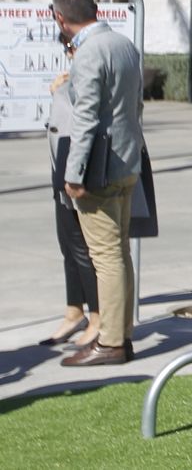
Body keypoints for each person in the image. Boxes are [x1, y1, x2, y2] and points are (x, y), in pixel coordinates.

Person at [56, 0, 143, 366]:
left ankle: (110, 342)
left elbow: (86, 118)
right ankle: (119, 335)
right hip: (126, 162)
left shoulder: (89, 52)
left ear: (60, 18)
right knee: (119, 254)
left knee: (106, 257)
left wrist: (73, 174)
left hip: (99, 169)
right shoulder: (123, 44)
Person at [41, 34, 98, 350]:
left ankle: (98, 316)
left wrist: (60, 91)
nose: (69, 53)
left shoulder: (89, 72)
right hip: (61, 161)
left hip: (81, 166)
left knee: (82, 246)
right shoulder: (73, 76)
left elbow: (85, 117)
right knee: (68, 243)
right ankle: (74, 311)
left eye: (71, 47)